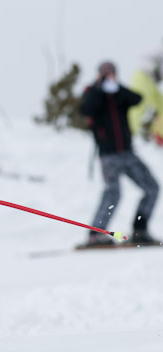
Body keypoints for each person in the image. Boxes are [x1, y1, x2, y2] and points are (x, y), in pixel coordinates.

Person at [80, 61, 160, 247]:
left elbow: (138, 99)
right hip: (109, 155)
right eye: (105, 74)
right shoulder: (94, 95)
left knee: (151, 188)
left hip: (127, 153)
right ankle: (97, 233)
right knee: (113, 192)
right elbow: (85, 109)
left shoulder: (119, 95)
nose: (109, 77)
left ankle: (140, 229)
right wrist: (98, 88)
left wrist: (117, 88)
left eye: (112, 73)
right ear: (99, 75)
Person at [128, 45, 163, 145]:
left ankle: (160, 134)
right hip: (143, 76)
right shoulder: (159, 49)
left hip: (151, 80)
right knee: (139, 104)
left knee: (161, 104)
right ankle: (134, 131)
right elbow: (144, 57)